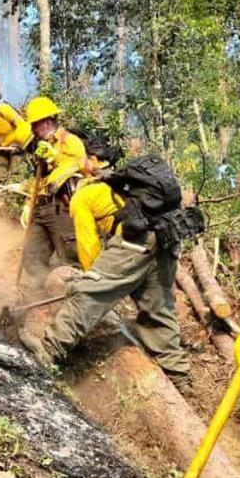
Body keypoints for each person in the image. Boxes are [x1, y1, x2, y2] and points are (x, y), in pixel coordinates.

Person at [19, 152, 193, 395]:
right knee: (159, 308)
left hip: (136, 239)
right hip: (167, 236)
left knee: (92, 291)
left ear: (66, 189)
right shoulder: (113, 189)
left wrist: (88, 278)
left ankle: (50, 349)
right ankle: (179, 377)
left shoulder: (82, 198)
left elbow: (88, 247)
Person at [17, 96, 88, 288]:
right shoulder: (40, 147)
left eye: (35, 125)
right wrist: (27, 203)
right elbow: (40, 181)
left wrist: (53, 157)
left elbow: (77, 167)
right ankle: (43, 295)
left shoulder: (70, 141)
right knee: (31, 256)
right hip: (41, 208)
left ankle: (74, 300)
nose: (32, 130)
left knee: (70, 257)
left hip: (61, 206)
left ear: (47, 122)